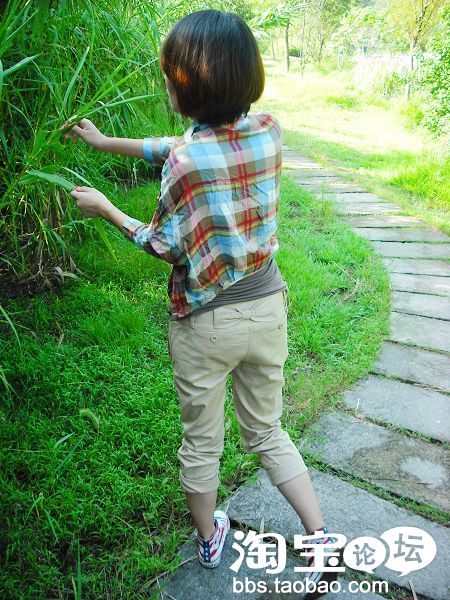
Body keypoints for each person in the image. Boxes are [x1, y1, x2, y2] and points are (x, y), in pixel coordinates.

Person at [62, 9, 343, 597]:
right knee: (267, 431)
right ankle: (320, 539)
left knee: (202, 443)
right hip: (267, 309)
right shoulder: (268, 130)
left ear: (187, 87)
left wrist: (108, 210)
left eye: (169, 75)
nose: (165, 82)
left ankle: (210, 539)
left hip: (206, 324)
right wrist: (105, 142)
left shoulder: (185, 165)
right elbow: (186, 146)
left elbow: (163, 244)